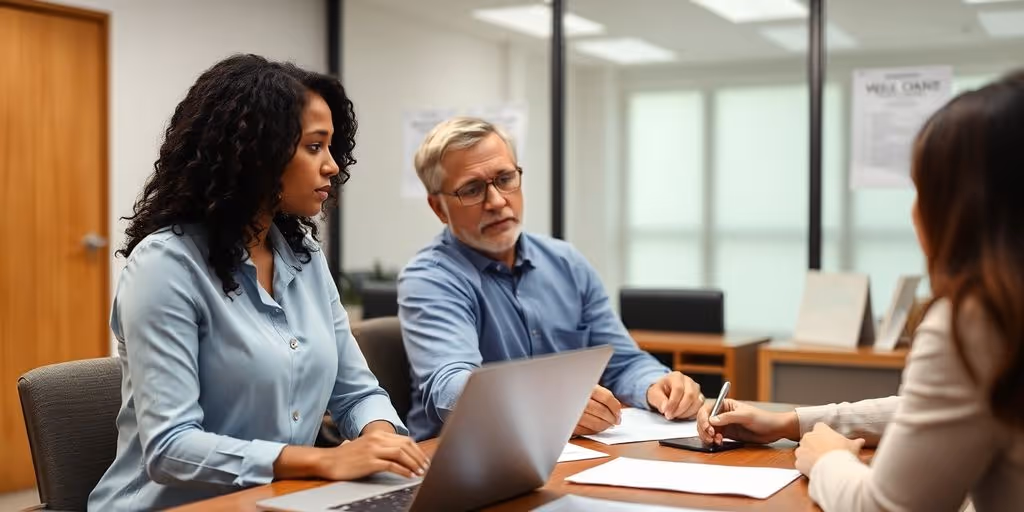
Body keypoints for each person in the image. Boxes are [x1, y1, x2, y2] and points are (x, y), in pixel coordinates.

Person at [88, 55, 428, 511]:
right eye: (314, 147)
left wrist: (379, 440)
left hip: (281, 500)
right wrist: (317, 462)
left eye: (332, 148)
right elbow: (170, 447)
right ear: (255, 154)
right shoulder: (165, 266)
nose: (331, 166)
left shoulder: (304, 258)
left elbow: (357, 392)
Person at [696, 72, 1024, 511]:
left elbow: (884, 508)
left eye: (923, 192)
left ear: (965, 210)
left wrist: (828, 459)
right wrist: (789, 422)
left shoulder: (978, 323)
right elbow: (929, 410)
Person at [398, 117, 704, 441]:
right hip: (464, 462)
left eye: (505, 178)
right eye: (472, 190)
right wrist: (548, 403)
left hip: (568, 456)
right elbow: (449, 389)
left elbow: (623, 362)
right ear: (439, 208)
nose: (498, 201)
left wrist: (658, 385)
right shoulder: (430, 279)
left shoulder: (565, 263)